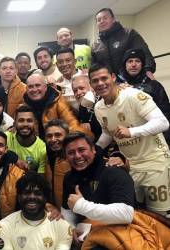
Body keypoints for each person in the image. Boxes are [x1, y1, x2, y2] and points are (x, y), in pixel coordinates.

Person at [90, 63, 170, 217]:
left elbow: (163, 123)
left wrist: (131, 131)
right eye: (95, 81)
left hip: (155, 163)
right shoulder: (99, 107)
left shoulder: (133, 96)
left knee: (159, 216)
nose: (100, 83)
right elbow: (108, 133)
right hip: (130, 167)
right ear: (91, 84)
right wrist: (96, 149)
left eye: (104, 78)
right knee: (137, 215)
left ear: (113, 78)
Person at [61, 132, 134, 226]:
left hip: (119, 234)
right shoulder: (68, 177)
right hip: (86, 235)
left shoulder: (114, 171)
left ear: (93, 150)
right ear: (66, 157)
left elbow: (126, 214)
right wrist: (71, 229)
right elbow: (67, 210)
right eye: (71, 153)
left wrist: (81, 206)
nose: (77, 156)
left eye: (82, 150)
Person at [0, 172, 72, 250]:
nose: (32, 197)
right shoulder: (4, 226)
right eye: (26, 193)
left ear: (45, 198)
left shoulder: (62, 226)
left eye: (37, 193)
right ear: (19, 197)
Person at [119, 48, 170, 144]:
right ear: (125, 65)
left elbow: (166, 114)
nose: (133, 64)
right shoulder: (118, 87)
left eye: (137, 61)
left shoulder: (154, 85)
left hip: (154, 137)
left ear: (142, 65)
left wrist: (166, 141)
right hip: (129, 138)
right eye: (130, 61)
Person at [23, 73, 92, 139]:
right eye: (30, 87)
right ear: (26, 89)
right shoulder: (24, 105)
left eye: (37, 85)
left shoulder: (58, 102)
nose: (34, 89)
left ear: (45, 87)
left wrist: (85, 139)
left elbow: (72, 124)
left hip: (57, 144)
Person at [91, 8, 156, 78]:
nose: (102, 21)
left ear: (113, 19)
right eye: (99, 20)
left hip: (134, 80)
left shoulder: (129, 34)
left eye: (105, 18)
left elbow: (145, 54)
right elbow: (94, 68)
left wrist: (148, 71)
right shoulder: (95, 46)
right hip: (109, 83)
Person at [5, 105, 47, 174]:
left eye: (29, 121)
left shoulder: (42, 149)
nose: (25, 124)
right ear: (14, 123)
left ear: (35, 123)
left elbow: (40, 179)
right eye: (21, 120)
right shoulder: (5, 138)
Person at [71, 73, 102, 141]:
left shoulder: (104, 101)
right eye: (75, 91)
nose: (78, 93)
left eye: (82, 88)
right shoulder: (81, 107)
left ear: (92, 87)